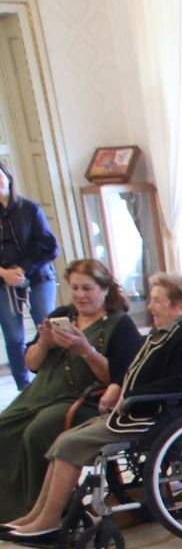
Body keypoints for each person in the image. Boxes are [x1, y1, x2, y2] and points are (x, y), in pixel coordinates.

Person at [1, 273, 182, 542]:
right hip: (136, 409)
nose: (150, 306)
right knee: (63, 440)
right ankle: (37, 516)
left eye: (156, 301)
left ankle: (49, 520)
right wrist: (120, 386)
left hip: (156, 414)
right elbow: (136, 369)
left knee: (69, 445)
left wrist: (133, 394)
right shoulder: (163, 333)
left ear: (179, 307)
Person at [0, 259, 141, 521]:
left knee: (37, 432)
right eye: (74, 288)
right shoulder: (60, 315)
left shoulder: (120, 325)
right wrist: (43, 344)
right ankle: (8, 510)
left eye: (87, 288)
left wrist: (86, 351)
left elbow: (120, 377)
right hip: (40, 394)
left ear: (104, 289)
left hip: (84, 400)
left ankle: (43, 512)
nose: (79, 295)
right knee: (4, 428)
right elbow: (31, 364)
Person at [0, 164, 60, 391]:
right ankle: (23, 387)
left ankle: (52, 380)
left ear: (7, 177)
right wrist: (5, 273)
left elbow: (48, 246)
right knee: (14, 336)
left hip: (37, 275)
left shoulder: (30, 209)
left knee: (46, 326)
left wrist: (22, 268)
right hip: (4, 281)